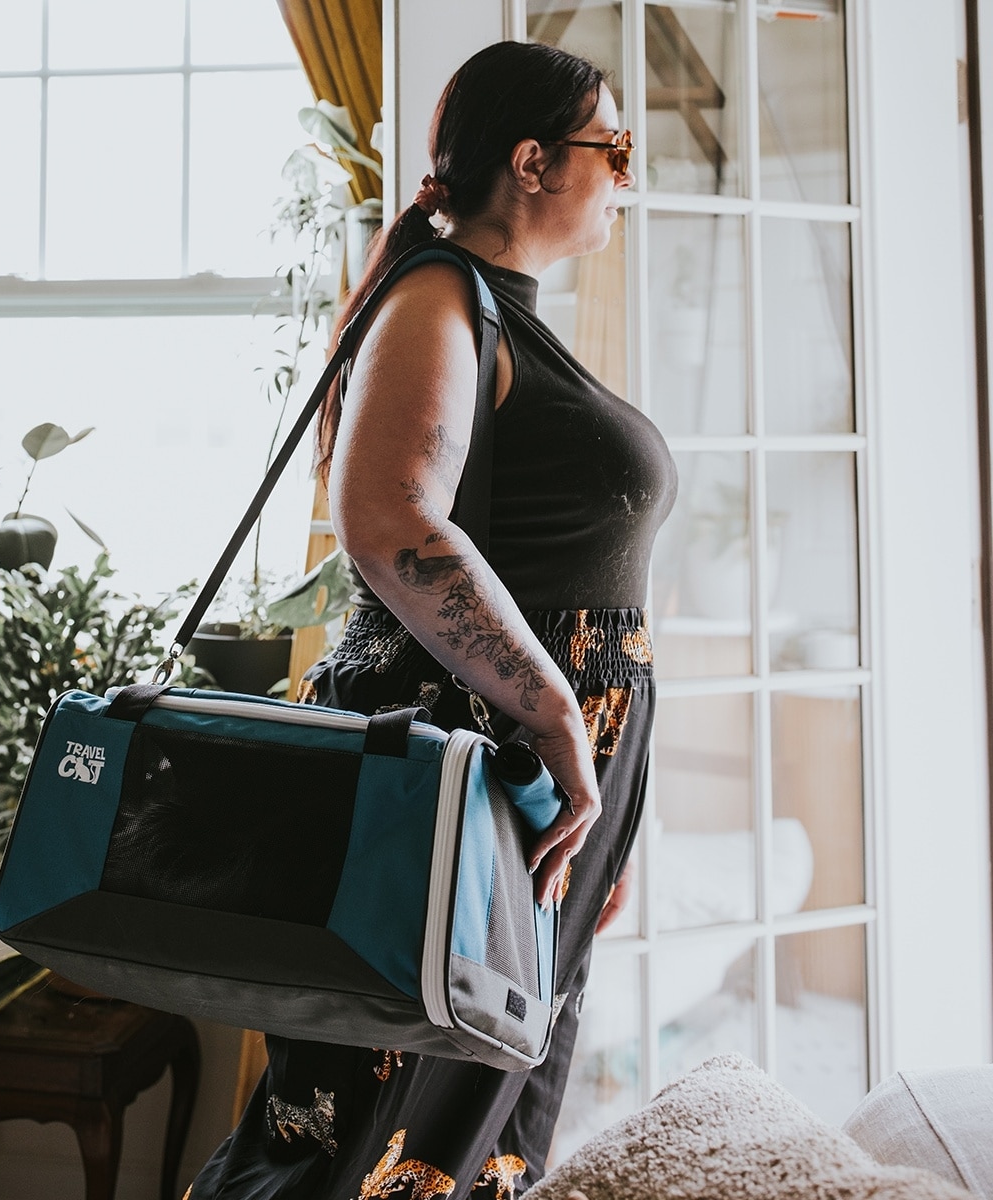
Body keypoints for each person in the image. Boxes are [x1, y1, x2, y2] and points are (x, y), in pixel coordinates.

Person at [189, 39, 677, 1200]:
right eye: (614, 150)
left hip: (526, 788)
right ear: (533, 161)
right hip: (464, 779)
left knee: (479, 1118)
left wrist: (606, 801)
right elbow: (388, 520)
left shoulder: (501, 313)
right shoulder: (438, 298)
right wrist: (557, 715)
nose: (628, 176)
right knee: (365, 1125)